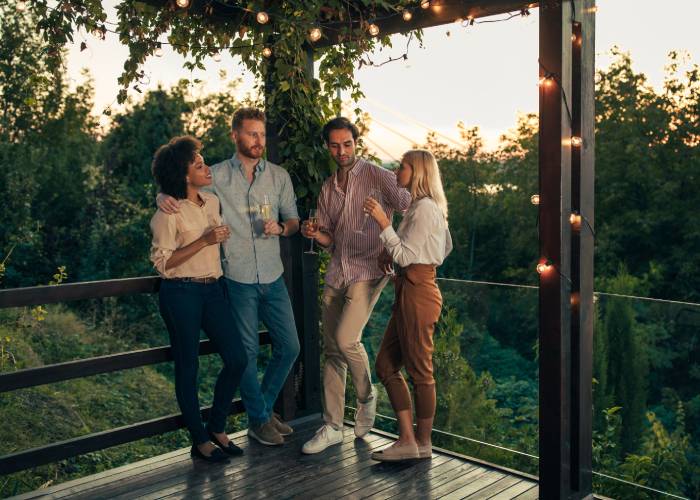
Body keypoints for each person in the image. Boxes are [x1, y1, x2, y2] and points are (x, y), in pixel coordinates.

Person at [157, 108, 300, 447]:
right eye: (252, 134)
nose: (258, 141)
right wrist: (160, 195)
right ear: (235, 135)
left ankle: (260, 412)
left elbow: (293, 221)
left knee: (290, 346)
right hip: (235, 277)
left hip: (273, 275)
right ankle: (261, 420)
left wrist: (281, 227)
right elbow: (181, 190)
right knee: (246, 353)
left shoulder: (279, 176)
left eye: (262, 135)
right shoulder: (216, 175)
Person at [300, 117, 412, 454]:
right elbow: (329, 238)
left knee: (347, 339)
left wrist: (395, 248)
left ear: (355, 142)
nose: (341, 151)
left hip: (369, 270)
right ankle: (333, 424)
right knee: (332, 351)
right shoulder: (328, 188)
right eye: (335, 145)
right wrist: (314, 233)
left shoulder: (378, 175)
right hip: (338, 271)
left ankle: (366, 396)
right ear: (328, 147)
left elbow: (410, 206)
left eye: (347, 144)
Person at [150, 135, 248, 463]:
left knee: (237, 358)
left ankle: (217, 427)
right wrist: (205, 240)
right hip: (182, 293)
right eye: (198, 164)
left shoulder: (212, 202)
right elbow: (164, 264)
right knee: (188, 367)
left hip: (214, 289)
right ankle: (200, 439)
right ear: (183, 174)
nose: (206, 167)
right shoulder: (168, 212)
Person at [363, 149, 452, 462]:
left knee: (420, 372)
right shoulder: (419, 208)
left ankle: (421, 444)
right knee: (386, 365)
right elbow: (439, 247)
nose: (396, 170)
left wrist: (383, 223)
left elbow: (407, 254)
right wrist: (398, 259)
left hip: (419, 293)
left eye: (402, 166)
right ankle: (409, 440)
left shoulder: (426, 208)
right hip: (409, 288)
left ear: (417, 172)